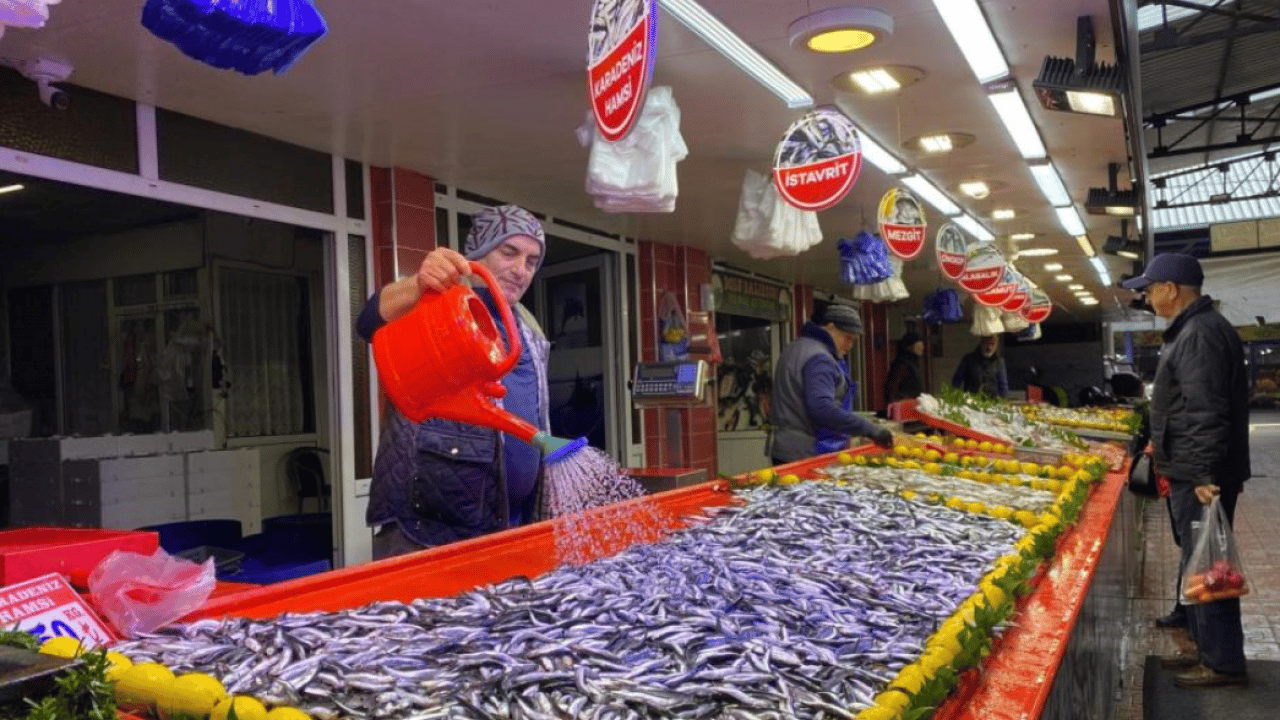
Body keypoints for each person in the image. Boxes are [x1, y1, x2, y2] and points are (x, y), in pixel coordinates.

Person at [356, 205, 551, 559]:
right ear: (476, 253)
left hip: (509, 530)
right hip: (426, 536)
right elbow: (369, 320)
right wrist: (417, 283)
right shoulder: (435, 301)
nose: (520, 270)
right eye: (509, 253)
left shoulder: (530, 330)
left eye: (531, 261)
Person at [1122, 252, 1251, 688]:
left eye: (1150, 288)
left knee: (1208, 564)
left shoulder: (1198, 334)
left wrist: (1201, 474)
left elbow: (1206, 410)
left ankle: (1222, 664)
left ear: (1171, 289)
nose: (1146, 296)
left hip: (1200, 476)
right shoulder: (1197, 329)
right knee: (1198, 558)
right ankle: (1205, 648)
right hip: (1195, 469)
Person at [769, 304, 892, 464]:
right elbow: (822, 408)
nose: (850, 345)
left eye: (853, 341)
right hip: (807, 453)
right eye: (847, 338)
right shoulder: (820, 358)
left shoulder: (796, 347)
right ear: (830, 327)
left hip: (786, 449)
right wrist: (869, 429)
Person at [883, 331, 924, 405]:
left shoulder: (913, 363)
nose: (922, 348)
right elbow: (892, 389)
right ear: (910, 346)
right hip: (904, 406)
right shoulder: (902, 365)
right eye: (919, 345)